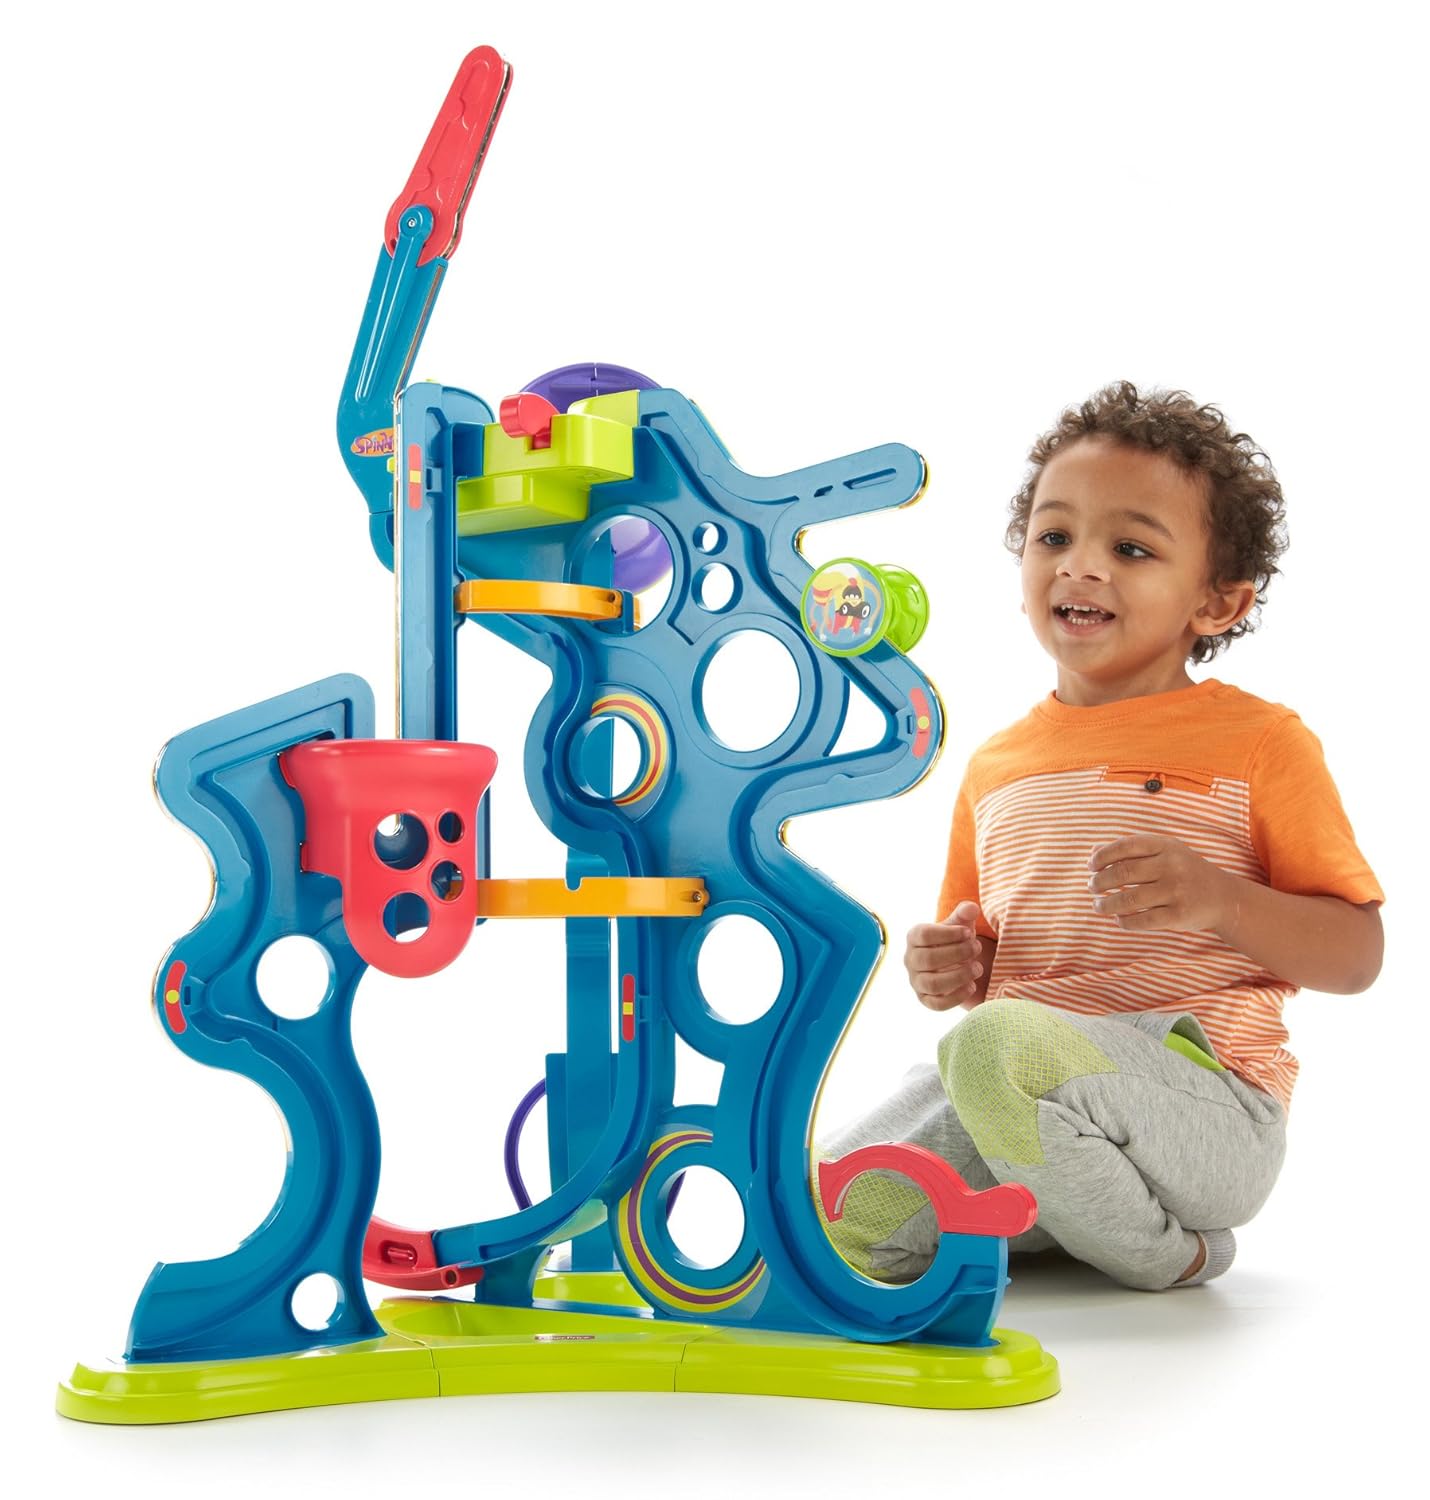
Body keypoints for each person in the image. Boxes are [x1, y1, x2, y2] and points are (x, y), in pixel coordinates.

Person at [818, 382, 1384, 1291]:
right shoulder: (997, 767)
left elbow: (1357, 956)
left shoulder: (1260, 743)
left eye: (1130, 548)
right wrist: (949, 968)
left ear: (1217, 603)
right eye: (1054, 537)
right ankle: (1067, 1222)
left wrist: (1222, 900)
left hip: (1207, 1111)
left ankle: (1173, 1253)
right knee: (823, 1208)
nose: (1079, 567)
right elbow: (986, 984)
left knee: (994, 1047)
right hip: (1028, 1106)